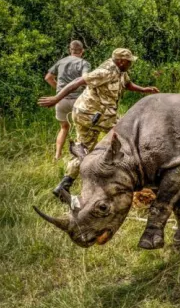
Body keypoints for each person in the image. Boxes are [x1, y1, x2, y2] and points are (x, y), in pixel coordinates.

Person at [38, 48, 159, 197]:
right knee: (129, 134)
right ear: (121, 61)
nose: (131, 64)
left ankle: (64, 185)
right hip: (91, 114)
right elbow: (77, 82)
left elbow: (127, 84)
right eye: (129, 62)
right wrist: (56, 98)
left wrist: (144, 90)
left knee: (83, 149)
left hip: (95, 114)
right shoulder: (105, 71)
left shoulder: (120, 70)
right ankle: (141, 179)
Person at [44, 40, 92, 160]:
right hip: (78, 100)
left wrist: (60, 91)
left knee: (64, 127)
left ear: (70, 50)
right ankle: (79, 156)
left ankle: (57, 155)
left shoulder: (61, 62)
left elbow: (48, 78)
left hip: (61, 100)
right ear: (82, 51)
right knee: (80, 128)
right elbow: (85, 79)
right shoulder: (84, 63)